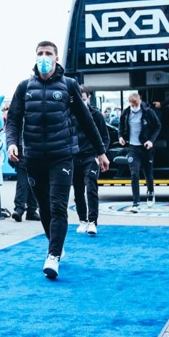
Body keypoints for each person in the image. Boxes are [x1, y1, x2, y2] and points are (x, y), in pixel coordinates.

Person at [5, 40, 109, 280]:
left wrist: (100, 151)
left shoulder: (69, 85)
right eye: (40, 53)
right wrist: (12, 143)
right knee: (43, 207)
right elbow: (14, 120)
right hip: (33, 157)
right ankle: (55, 243)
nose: (44, 57)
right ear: (35, 57)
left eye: (48, 53)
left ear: (56, 58)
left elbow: (86, 120)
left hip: (61, 155)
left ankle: (53, 257)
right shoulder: (24, 87)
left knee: (58, 205)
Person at [73, 86, 110, 235]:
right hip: (75, 156)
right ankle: (83, 220)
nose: (81, 102)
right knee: (78, 190)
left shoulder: (97, 115)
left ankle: (93, 221)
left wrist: (100, 154)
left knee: (91, 187)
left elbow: (105, 137)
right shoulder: (70, 114)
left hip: (91, 156)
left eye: (83, 99)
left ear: (88, 98)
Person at [118, 91, 161, 210]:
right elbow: (120, 128)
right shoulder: (126, 113)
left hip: (146, 148)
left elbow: (158, 126)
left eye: (135, 105)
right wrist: (121, 137)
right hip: (133, 148)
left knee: (148, 174)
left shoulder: (148, 112)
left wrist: (151, 140)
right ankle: (136, 203)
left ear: (139, 102)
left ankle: (150, 193)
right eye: (132, 105)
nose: (134, 107)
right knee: (134, 174)